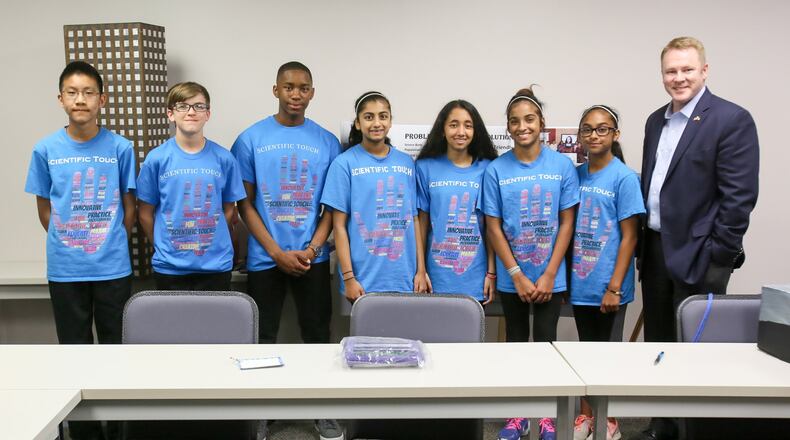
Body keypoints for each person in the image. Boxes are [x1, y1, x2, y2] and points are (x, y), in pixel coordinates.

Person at [635, 36, 759, 440]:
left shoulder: (731, 119)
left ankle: (694, 430)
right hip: (654, 250)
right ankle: (662, 427)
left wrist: (718, 255)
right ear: (662, 75)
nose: (679, 78)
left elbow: (739, 198)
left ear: (704, 71)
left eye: (687, 69)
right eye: (671, 70)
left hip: (700, 255)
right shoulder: (656, 120)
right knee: (661, 347)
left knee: (697, 351)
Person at [24, 60, 136, 440]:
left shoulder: (121, 147)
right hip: (66, 268)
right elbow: (44, 206)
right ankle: (86, 434)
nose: (80, 99)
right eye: (72, 92)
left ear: (101, 99)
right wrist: (71, 240)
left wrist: (107, 241)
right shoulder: (46, 149)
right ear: (60, 99)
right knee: (73, 355)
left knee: (117, 353)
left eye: (88, 92)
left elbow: (129, 204)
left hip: (113, 267)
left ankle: (120, 430)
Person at [231, 62, 343, 440]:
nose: (296, 94)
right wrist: (276, 251)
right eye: (289, 87)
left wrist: (312, 248)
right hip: (266, 258)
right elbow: (244, 205)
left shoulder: (328, 141)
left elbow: (332, 206)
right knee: (262, 337)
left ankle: (322, 409)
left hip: (313, 257)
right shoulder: (250, 139)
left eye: (304, 88)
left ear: (312, 92)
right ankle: (261, 412)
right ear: (276, 90)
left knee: (317, 335)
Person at [482, 87, 579, 440]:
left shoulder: (562, 166)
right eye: (514, 121)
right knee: (517, 345)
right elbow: (493, 226)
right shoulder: (496, 170)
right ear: (507, 127)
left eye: (529, 119)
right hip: (514, 278)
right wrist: (516, 274)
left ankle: (548, 416)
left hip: (550, 276)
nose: (522, 126)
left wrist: (550, 272)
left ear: (542, 123)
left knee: (547, 344)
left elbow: (567, 221)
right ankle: (518, 414)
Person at [570, 105, 644, 440]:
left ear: (615, 134)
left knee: (607, 356)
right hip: (581, 282)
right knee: (586, 352)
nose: (594, 135)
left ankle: (607, 420)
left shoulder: (624, 177)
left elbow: (630, 235)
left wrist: (614, 287)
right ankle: (585, 417)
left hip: (608, 285)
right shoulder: (577, 175)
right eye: (587, 129)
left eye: (602, 129)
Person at [137, 82, 246, 291]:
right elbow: (144, 212)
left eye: (198, 106)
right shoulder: (156, 159)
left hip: (215, 266)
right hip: (170, 268)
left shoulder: (224, 158)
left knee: (214, 324)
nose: (191, 112)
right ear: (170, 114)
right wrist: (163, 244)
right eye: (182, 106)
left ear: (208, 114)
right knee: (173, 324)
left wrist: (210, 239)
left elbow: (229, 209)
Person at [321, 91, 430, 301]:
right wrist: (349, 278)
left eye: (383, 116)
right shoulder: (344, 164)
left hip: (405, 279)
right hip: (362, 281)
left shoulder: (406, 163)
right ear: (358, 124)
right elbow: (339, 226)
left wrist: (421, 271)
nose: (376, 123)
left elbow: (414, 219)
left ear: (390, 122)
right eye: (369, 117)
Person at [415, 99, 498, 303]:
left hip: (476, 278)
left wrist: (491, 273)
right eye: (454, 124)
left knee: (471, 335)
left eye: (468, 125)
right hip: (435, 279)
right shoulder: (425, 167)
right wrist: (421, 270)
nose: (461, 131)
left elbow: (491, 227)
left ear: (475, 131)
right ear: (442, 130)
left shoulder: (488, 168)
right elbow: (421, 224)